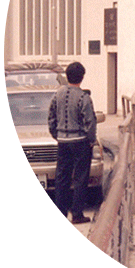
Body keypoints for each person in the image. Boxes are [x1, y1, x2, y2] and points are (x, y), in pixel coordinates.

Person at [48, 62, 97, 224]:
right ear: (82, 77)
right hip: (80, 141)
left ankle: (61, 211)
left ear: (66, 76)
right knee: (80, 178)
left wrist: (57, 135)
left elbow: (51, 118)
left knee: (62, 177)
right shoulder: (84, 97)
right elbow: (90, 121)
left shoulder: (57, 94)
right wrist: (91, 140)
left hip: (63, 141)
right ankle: (77, 213)